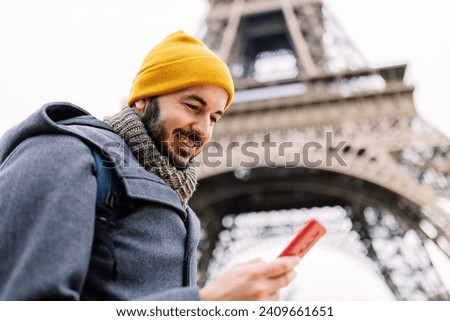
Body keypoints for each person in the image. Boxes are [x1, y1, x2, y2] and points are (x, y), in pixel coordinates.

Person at [0, 30, 300, 300]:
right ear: (143, 99)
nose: (204, 130)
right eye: (192, 107)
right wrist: (205, 304)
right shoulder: (62, 152)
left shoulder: (179, 206)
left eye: (214, 118)